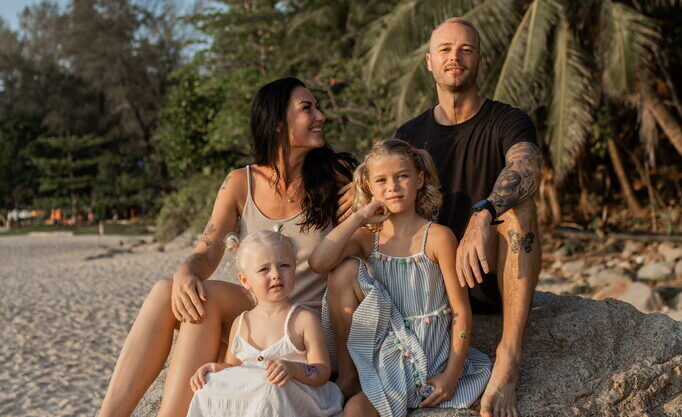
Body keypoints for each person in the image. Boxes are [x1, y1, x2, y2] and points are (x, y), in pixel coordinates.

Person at [98, 77, 356, 417]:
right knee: (170, 289)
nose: (321, 116)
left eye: (317, 107)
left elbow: (397, 179)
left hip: (306, 322)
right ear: (278, 122)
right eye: (307, 108)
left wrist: (365, 193)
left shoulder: (338, 176)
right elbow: (209, 247)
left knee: (201, 300)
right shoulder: (240, 182)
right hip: (257, 312)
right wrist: (187, 269)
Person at [394, 18, 543, 417]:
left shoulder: (508, 120)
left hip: (488, 273)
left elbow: (527, 168)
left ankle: (507, 360)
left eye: (465, 49)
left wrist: (483, 214)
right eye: (444, 49)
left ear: (480, 60)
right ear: (429, 61)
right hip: (434, 287)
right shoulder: (409, 134)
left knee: (520, 207)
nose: (454, 58)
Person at [309, 139, 492, 417]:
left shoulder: (438, 237)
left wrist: (452, 375)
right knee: (343, 273)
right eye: (381, 180)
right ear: (369, 187)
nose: (392, 187)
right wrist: (360, 216)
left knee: (355, 411)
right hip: (386, 348)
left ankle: (372, 388)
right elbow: (319, 262)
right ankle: (349, 376)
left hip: (428, 353)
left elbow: (461, 311)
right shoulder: (366, 238)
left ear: (419, 180)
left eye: (402, 176)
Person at [186, 230, 343, 417]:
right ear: (245, 281)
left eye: (284, 265)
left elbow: (322, 371)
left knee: (270, 388)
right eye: (264, 269)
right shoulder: (242, 322)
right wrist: (216, 369)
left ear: (294, 268)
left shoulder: (304, 319)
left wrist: (294, 369)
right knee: (208, 385)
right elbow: (236, 371)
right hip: (259, 395)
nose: (276, 274)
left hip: (296, 396)